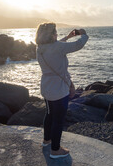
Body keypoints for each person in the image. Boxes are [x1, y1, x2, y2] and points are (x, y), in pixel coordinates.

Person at [35, 22, 89, 158]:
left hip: (47, 87)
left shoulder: (40, 48)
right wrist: (84, 34)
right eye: (55, 32)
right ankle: (55, 150)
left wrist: (67, 37)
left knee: (49, 115)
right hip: (59, 89)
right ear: (52, 35)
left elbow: (56, 46)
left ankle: (47, 140)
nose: (57, 35)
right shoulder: (58, 47)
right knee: (58, 120)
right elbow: (78, 45)